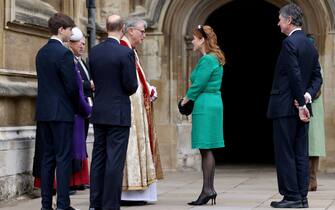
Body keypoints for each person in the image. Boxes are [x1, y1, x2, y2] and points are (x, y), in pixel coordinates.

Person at [267, 3, 322, 208]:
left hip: (286, 107)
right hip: (302, 106)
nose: (278, 23)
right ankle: (302, 197)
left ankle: (291, 196)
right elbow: (317, 77)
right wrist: (307, 97)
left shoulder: (289, 44)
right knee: (300, 152)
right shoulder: (309, 44)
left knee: (286, 153)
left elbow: (294, 75)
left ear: (289, 21)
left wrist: (300, 103)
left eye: (280, 19)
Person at [89, 15, 138, 210]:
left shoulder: (94, 52)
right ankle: (110, 205)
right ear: (123, 28)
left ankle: (95, 203)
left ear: (106, 27)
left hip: (100, 111)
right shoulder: (124, 53)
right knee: (114, 161)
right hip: (118, 113)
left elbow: (95, 80)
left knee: (98, 158)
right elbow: (131, 85)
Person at [35, 13, 79, 210]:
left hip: (44, 113)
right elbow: (71, 87)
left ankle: (46, 205)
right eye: (69, 29)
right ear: (61, 29)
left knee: (47, 159)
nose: (71, 33)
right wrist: (79, 108)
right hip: (61, 113)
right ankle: (62, 204)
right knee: (63, 159)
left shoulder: (41, 52)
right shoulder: (64, 53)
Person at [180, 24, 225, 206]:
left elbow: (199, 83)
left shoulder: (208, 60)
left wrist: (185, 99)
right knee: (206, 148)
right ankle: (208, 189)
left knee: (205, 148)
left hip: (206, 103)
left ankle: (208, 189)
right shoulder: (213, 58)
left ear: (202, 40)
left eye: (194, 38)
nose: (192, 41)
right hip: (211, 102)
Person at [120, 17, 163, 204]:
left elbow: (137, 80)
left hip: (137, 106)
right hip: (128, 109)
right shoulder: (123, 50)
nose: (144, 35)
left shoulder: (131, 50)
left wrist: (148, 89)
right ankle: (129, 193)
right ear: (130, 31)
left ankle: (138, 192)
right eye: (142, 31)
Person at [68, 27, 93, 191]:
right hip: (76, 107)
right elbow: (73, 82)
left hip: (85, 106)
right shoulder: (69, 59)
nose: (83, 46)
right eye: (80, 43)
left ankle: (79, 179)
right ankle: (71, 180)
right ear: (71, 42)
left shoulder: (81, 60)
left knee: (81, 144)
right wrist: (88, 84)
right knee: (73, 146)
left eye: (84, 44)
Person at [306, 34, 326, 192]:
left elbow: (317, 89)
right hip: (310, 109)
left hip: (313, 109)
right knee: (309, 146)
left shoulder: (316, 65)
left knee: (312, 146)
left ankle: (312, 179)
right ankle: (309, 179)